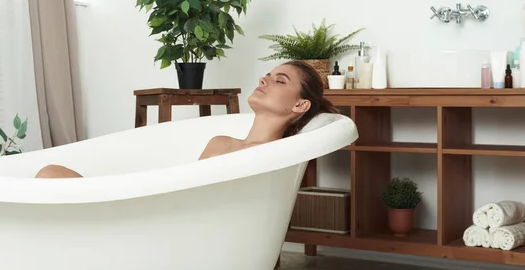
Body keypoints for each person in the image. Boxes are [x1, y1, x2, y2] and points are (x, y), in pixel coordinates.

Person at [34, 60, 338, 179]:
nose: (265, 79)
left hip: (166, 228)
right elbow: (185, 189)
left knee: (50, 176)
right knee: (50, 171)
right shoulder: (221, 143)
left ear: (300, 104)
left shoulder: (279, 157)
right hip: (158, 211)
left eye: (280, 80)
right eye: (268, 74)